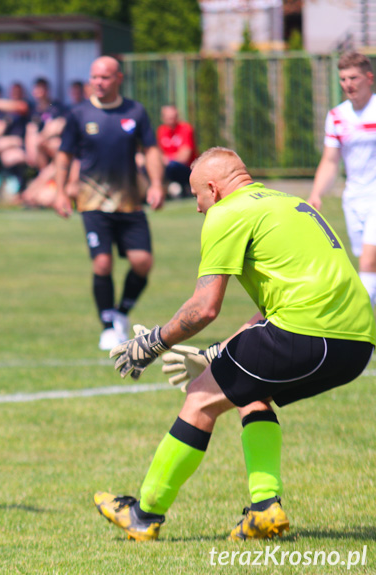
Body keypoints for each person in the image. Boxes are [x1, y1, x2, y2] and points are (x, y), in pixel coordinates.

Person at [97, 147, 375, 541]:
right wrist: (215, 353)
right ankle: (264, 511)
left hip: (306, 332)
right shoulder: (290, 204)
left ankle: (144, 515)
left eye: (197, 196)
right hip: (357, 344)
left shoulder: (226, 213)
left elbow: (204, 308)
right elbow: (274, 311)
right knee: (250, 392)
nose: (198, 208)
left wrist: (153, 343)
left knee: (199, 398)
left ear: (213, 188)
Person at [52, 55, 165, 351]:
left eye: (104, 77)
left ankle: (121, 314)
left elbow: (151, 150)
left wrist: (155, 184)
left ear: (118, 79)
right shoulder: (78, 114)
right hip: (92, 203)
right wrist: (61, 191)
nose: (98, 83)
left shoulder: (135, 112)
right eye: (94, 77)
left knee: (143, 262)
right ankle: (106, 326)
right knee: (102, 263)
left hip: (129, 203)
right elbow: (64, 155)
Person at [308, 51, 376, 306]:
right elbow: (330, 160)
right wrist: (316, 194)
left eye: (354, 77)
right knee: (369, 265)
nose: (348, 84)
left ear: (369, 78)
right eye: (343, 79)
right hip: (354, 199)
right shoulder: (337, 115)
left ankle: (362, 336)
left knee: (368, 262)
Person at [26, 77, 68, 170]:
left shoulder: (55, 106)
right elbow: (31, 129)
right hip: (40, 144)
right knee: (36, 144)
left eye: (42, 88)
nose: (39, 91)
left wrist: (43, 137)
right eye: (37, 88)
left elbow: (59, 125)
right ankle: (43, 175)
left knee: (53, 145)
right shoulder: (34, 110)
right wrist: (30, 151)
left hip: (54, 141)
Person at [157, 104, 197, 199]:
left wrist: (167, 158)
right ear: (163, 118)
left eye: (173, 117)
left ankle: (183, 187)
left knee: (172, 166)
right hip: (167, 167)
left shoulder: (186, 128)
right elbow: (158, 155)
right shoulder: (161, 131)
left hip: (187, 169)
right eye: (168, 117)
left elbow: (184, 157)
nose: (171, 120)